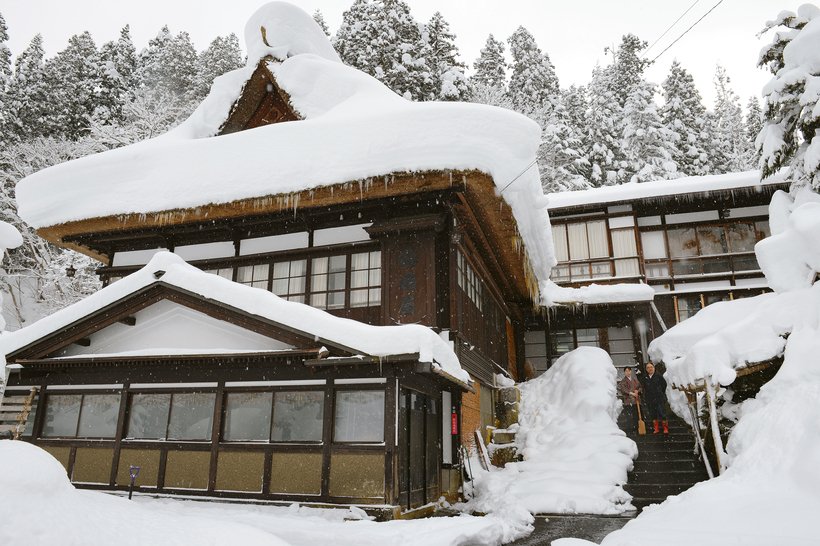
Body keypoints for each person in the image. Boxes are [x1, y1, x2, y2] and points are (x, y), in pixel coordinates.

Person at [641, 361, 668, 434]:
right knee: (653, 414)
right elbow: (643, 387)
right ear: (646, 369)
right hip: (650, 399)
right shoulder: (645, 377)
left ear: (654, 368)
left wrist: (660, 392)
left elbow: (664, 385)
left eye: (651, 367)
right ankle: (656, 428)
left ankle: (665, 428)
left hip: (659, 398)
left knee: (662, 413)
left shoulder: (658, 376)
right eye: (648, 368)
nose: (650, 369)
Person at [618, 367, 642, 433]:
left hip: (636, 401)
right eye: (626, 371)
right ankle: (631, 430)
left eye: (629, 371)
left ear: (631, 371)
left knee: (636, 415)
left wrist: (638, 391)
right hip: (628, 401)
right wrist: (631, 393)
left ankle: (637, 428)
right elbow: (623, 390)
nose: (627, 372)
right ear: (624, 372)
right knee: (630, 416)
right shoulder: (623, 381)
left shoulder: (635, 379)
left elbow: (640, 386)